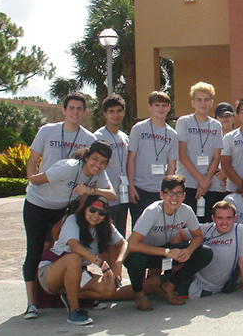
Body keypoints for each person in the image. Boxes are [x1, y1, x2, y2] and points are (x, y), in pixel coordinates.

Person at [23, 141, 117, 320]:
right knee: (35, 250)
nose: (97, 165)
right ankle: (32, 303)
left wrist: (91, 189)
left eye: (103, 162)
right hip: (37, 205)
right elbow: (35, 179)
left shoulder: (99, 173)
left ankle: (66, 294)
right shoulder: (67, 168)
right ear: (86, 157)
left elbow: (112, 195)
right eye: (94, 159)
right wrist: (30, 183)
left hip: (60, 208)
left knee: (58, 247)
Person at [124, 175, 213, 311]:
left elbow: (198, 236)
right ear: (161, 195)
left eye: (178, 193)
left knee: (205, 252)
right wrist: (167, 252)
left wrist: (188, 250)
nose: (174, 198)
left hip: (164, 251)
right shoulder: (152, 212)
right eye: (169, 193)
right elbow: (133, 245)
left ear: (184, 196)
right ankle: (139, 293)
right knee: (136, 260)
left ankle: (168, 287)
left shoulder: (186, 211)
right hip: (143, 252)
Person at [37, 196, 127, 325]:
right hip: (51, 271)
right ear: (85, 209)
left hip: (78, 273)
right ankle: (74, 311)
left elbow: (124, 244)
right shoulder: (72, 220)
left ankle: (68, 297)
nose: (96, 215)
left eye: (101, 213)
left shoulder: (105, 226)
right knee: (74, 257)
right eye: (92, 210)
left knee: (109, 289)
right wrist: (102, 264)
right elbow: (74, 246)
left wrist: (118, 263)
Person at [171, 200, 243, 299]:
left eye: (228, 218)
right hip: (188, 274)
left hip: (204, 287)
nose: (224, 222)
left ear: (235, 218)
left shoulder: (241, 231)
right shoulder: (207, 228)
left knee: (158, 286)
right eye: (220, 218)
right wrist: (177, 263)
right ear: (213, 218)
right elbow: (178, 234)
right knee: (153, 284)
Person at [127, 91, 179, 224]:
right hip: (139, 189)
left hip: (160, 191)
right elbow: (131, 158)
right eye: (157, 105)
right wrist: (131, 186)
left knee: (158, 228)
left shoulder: (172, 134)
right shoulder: (138, 129)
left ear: (168, 108)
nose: (160, 109)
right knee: (138, 229)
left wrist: (168, 191)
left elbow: (172, 165)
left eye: (164, 105)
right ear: (150, 107)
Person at [176, 82, 224, 221]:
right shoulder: (183, 122)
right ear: (193, 103)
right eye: (199, 99)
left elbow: (216, 157)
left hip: (209, 185)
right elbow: (182, 155)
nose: (203, 103)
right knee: (187, 225)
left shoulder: (216, 125)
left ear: (211, 102)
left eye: (206, 100)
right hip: (188, 183)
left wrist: (206, 181)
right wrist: (200, 180)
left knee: (207, 224)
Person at [27, 92, 97, 177]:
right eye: (71, 108)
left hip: (74, 189)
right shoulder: (46, 130)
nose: (75, 112)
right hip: (46, 188)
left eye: (79, 109)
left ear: (84, 112)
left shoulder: (90, 139)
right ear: (64, 110)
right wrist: (32, 184)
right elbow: (33, 161)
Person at [94, 94, 129, 236]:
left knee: (120, 236)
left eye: (119, 111)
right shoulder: (97, 137)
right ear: (105, 114)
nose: (116, 115)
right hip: (106, 198)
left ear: (124, 112)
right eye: (111, 111)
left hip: (123, 197)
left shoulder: (125, 137)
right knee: (104, 237)